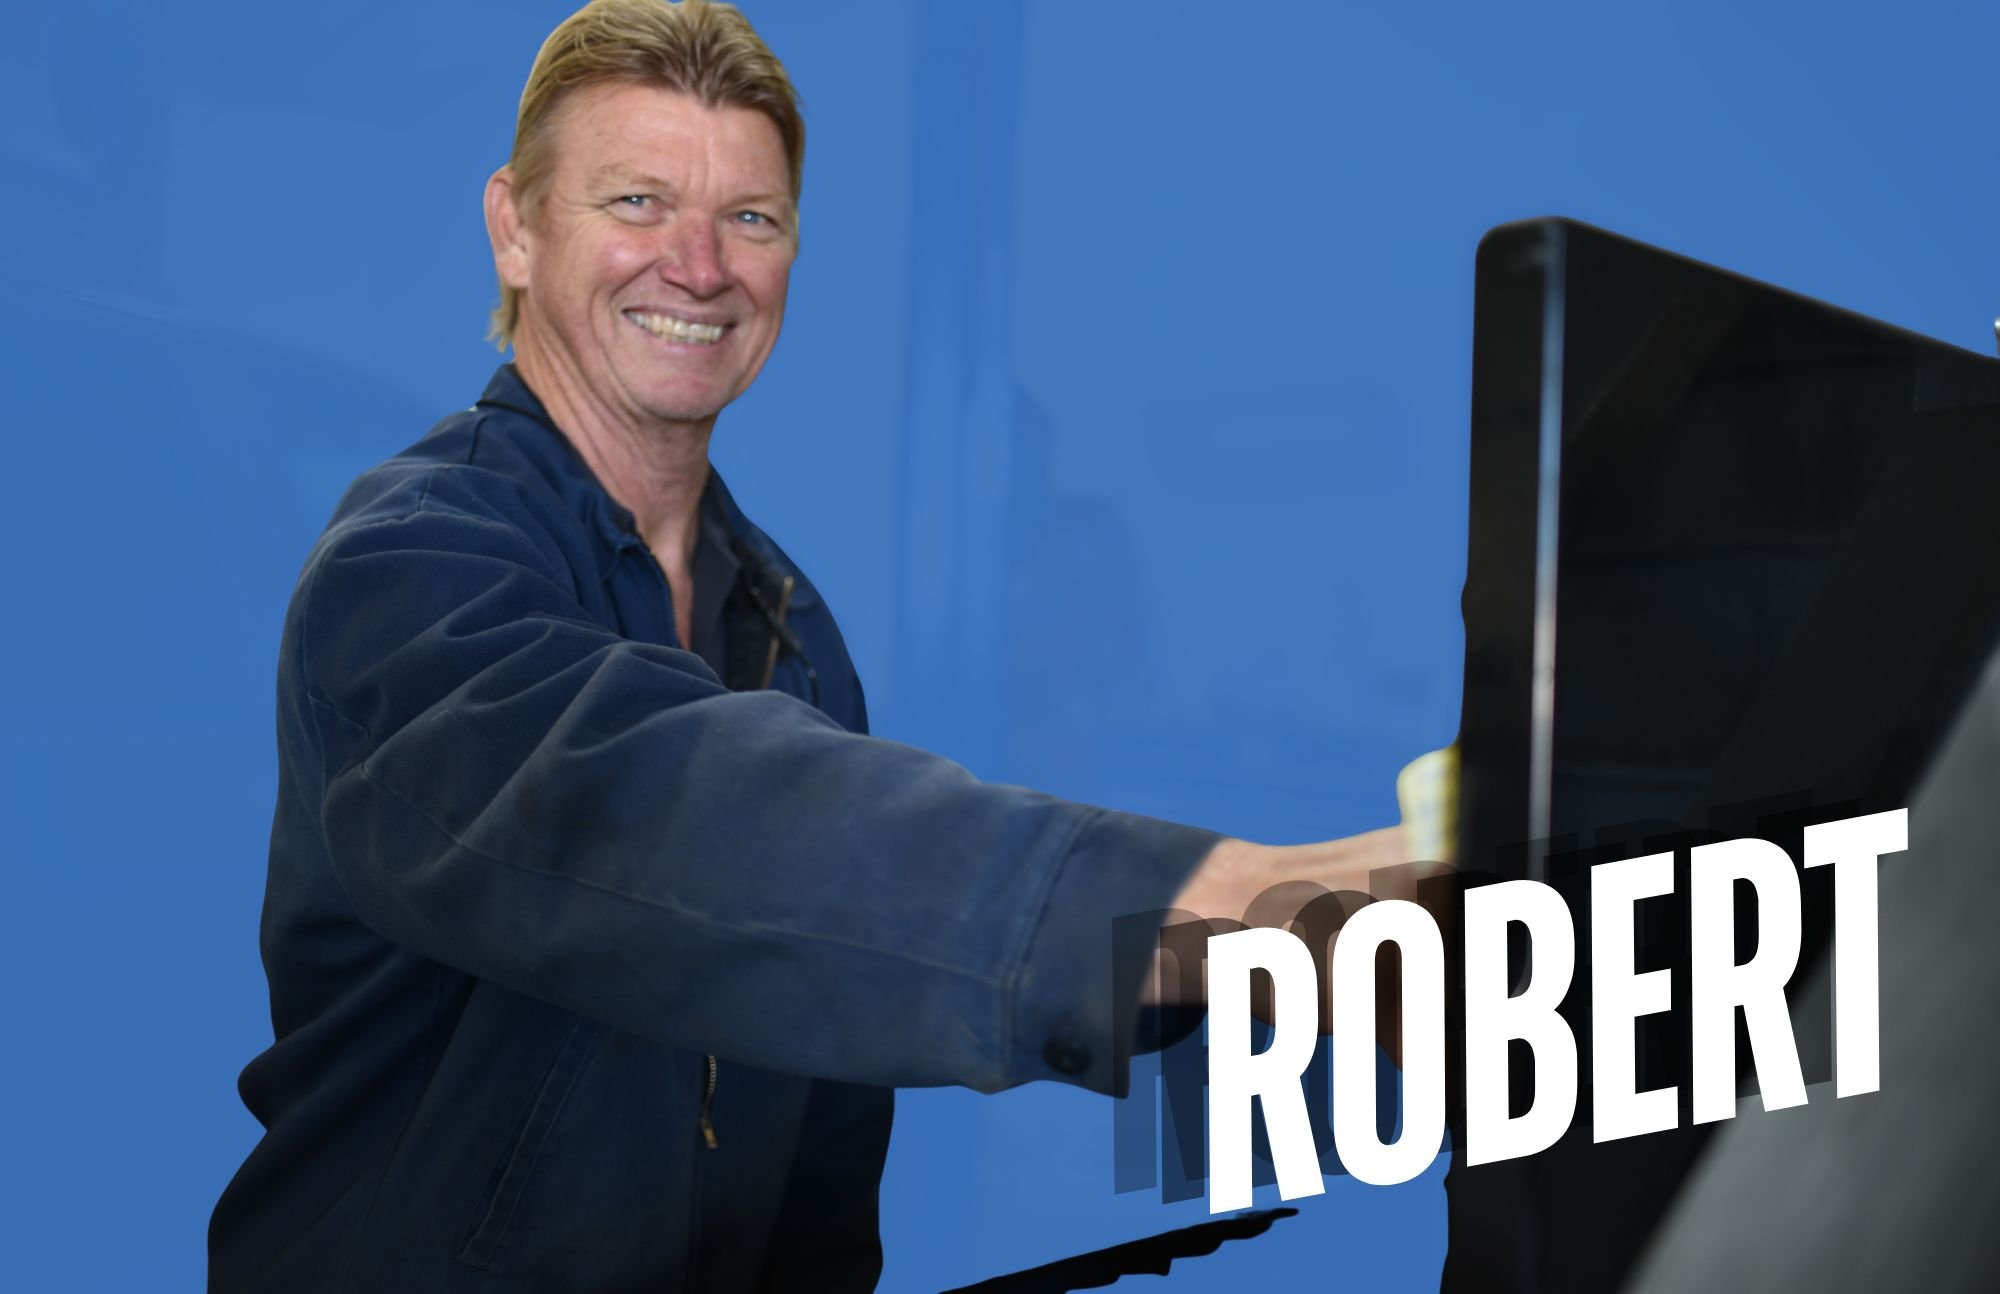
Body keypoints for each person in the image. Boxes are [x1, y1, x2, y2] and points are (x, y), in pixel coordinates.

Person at [207, 2, 1407, 1289]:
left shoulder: (785, 624)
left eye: (751, 219)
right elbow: (664, 819)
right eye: (635, 202)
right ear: (515, 226)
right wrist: (1225, 903)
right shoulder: (409, 565)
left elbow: (819, 1113)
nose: (697, 265)